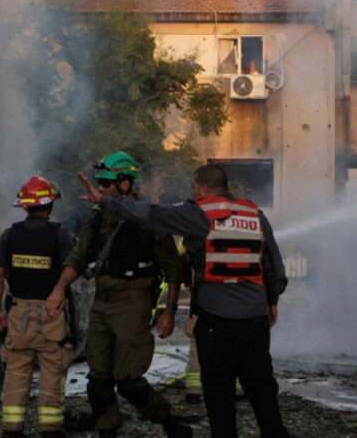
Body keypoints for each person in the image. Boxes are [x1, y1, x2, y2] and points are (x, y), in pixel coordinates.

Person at [76, 163, 289, 438]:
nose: (193, 192)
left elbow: (151, 213)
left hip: (216, 317)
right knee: (261, 387)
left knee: (219, 390)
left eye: (193, 187)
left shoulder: (199, 213)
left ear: (202, 186)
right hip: (255, 319)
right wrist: (271, 301)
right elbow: (274, 268)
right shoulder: (256, 215)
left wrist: (104, 201)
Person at [44, 151, 190, 438]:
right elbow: (77, 257)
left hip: (133, 304)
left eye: (105, 184)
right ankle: (108, 430)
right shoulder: (97, 217)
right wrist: (59, 289)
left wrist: (169, 311)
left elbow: (173, 269)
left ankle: (170, 423)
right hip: (102, 304)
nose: (100, 189)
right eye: (99, 183)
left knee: (128, 381)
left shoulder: (149, 218)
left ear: (125, 184)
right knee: (97, 382)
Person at [0, 175, 75, 437]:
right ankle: (49, 429)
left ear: (25, 206)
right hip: (51, 313)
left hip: (18, 313)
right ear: (49, 206)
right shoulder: (60, 234)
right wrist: (59, 289)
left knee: (16, 369)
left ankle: (12, 429)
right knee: (52, 368)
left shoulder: (10, 235)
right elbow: (73, 267)